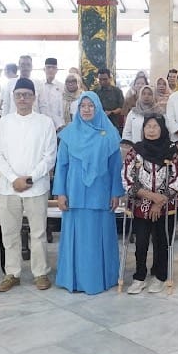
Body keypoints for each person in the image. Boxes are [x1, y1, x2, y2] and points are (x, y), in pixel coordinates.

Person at [54, 91, 125, 295]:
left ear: (98, 108)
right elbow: (62, 166)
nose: (86, 109)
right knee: (76, 239)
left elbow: (115, 167)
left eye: (91, 106)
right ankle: (73, 280)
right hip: (74, 194)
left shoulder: (109, 134)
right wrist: (60, 193)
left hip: (101, 194)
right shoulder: (69, 134)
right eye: (83, 106)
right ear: (78, 109)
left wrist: (115, 193)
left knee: (98, 238)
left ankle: (100, 279)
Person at [0, 76, 58, 292]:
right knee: (9, 232)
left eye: (27, 95)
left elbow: (50, 156)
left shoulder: (45, 122)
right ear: (13, 97)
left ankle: (40, 273)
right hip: (9, 187)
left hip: (36, 187)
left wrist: (29, 179)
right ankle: (12, 273)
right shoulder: (4, 123)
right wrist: (14, 179)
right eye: (19, 95)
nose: (23, 99)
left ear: (34, 98)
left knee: (38, 233)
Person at [122, 113, 178, 294]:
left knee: (162, 241)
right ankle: (139, 276)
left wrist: (159, 201)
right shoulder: (136, 151)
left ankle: (160, 276)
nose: (151, 130)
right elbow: (126, 177)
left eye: (155, 126)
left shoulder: (172, 151)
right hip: (141, 204)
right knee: (141, 242)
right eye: (148, 126)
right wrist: (149, 196)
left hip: (165, 205)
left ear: (162, 129)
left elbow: (177, 177)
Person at [36, 57, 66, 130]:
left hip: (59, 126)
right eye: (48, 67)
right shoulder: (38, 85)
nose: (51, 70)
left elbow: (63, 107)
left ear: (56, 70)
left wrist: (62, 124)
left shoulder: (62, 87)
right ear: (44, 69)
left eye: (53, 68)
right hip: (41, 124)